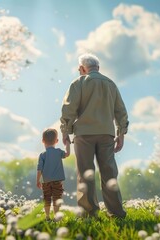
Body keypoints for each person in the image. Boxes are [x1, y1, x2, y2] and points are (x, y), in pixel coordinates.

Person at [60, 53, 129, 218]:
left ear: (82, 68)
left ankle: (90, 213)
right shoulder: (111, 84)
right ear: (98, 68)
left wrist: (65, 132)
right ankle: (116, 212)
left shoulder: (78, 83)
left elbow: (68, 110)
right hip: (106, 133)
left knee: (85, 174)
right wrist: (121, 134)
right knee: (109, 173)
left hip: (83, 134)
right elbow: (121, 112)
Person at [36, 128, 70, 220]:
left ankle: (47, 216)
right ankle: (56, 216)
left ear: (43, 141)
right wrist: (67, 143)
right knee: (57, 198)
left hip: (45, 181)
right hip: (57, 181)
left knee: (46, 198)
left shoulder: (42, 155)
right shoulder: (59, 152)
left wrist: (38, 181)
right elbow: (67, 154)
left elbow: (39, 169)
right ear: (57, 141)